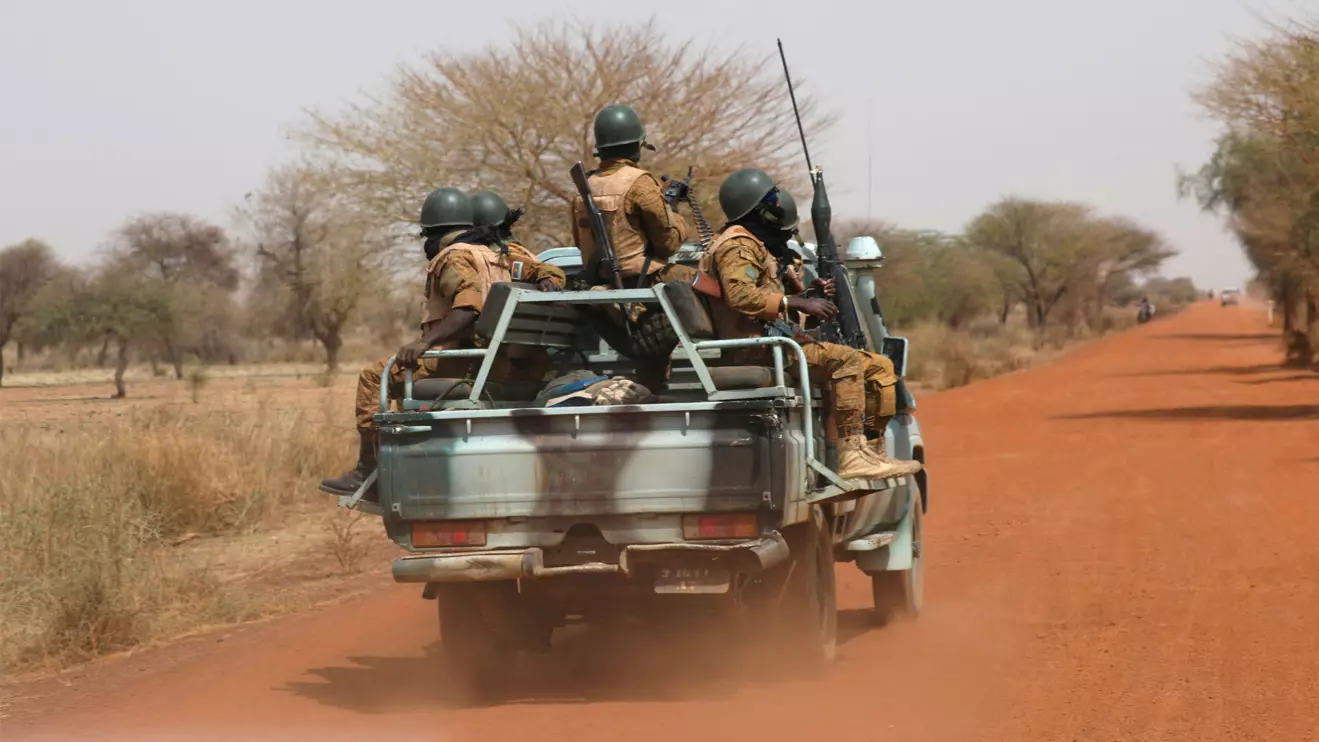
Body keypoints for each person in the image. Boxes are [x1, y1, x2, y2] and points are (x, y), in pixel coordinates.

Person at [320, 188, 566, 499]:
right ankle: (392, 464)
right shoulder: (506, 255)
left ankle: (369, 472)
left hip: (471, 363)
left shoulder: (454, 256)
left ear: (435, 232)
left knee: (374, 376)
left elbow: (468, 307)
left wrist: (424, 343)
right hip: (506, 362)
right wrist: (549, 280)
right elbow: (544, 270)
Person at [698, 168, 919, 481]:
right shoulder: (737, 245)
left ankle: (870, 452)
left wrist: (809, 295)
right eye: (771, 199)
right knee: (846, 359)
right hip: (757, 350)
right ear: (758, 208)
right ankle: (851, 455)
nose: (779, 205)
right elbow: (740, 296)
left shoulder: (757, 245)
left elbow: (769, 300)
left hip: (775, 344)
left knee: (881, 367)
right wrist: (798, 302)